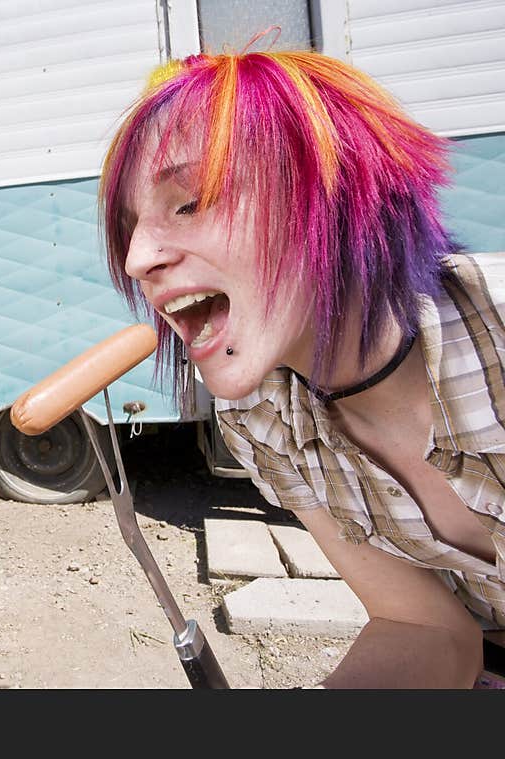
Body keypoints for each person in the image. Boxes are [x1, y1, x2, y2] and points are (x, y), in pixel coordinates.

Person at [99, 46, 505, 688]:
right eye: (129, 228)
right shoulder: (262, 422)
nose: (136, 259)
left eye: (190, 201)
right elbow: (421, 627)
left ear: (340, 193)